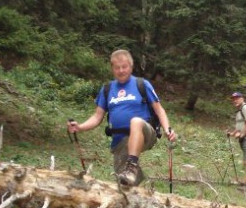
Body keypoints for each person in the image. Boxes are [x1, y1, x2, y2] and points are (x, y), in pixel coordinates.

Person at [67, 49, 176, 186]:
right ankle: (135, 180)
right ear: (112, 69)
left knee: (135, 122)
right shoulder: (107, 89)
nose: (121, 70)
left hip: (145, 132)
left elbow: (159, 110)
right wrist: (80, 127)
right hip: (120, 140)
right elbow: (97, 117)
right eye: (117, 67)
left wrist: (168, 130)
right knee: (125, 184)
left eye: (124, 67)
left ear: (131, 67)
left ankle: (132, 166)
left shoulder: (142, 84)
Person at [227, 92, 246, 190]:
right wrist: (232, 133)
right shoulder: (240, 111)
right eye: (233, 99)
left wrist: (242, 134)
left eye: (237, 98)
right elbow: (240, 126)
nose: (235, 100)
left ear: (242, 98)